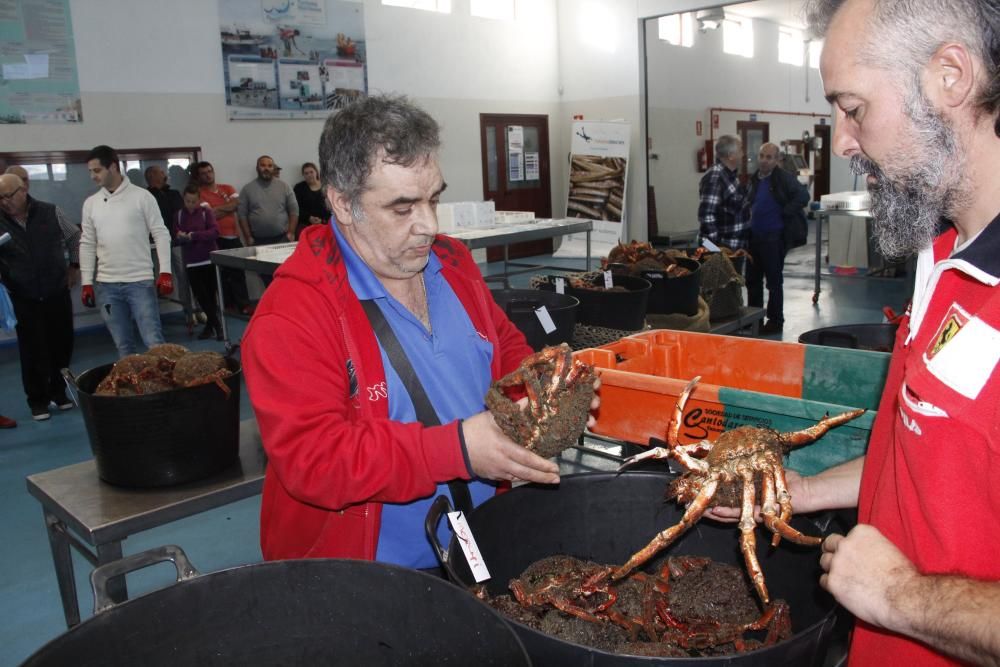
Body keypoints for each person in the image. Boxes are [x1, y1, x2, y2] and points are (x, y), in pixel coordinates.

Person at [708, 1, 1000, 664]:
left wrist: (904, 596)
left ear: (950, 76)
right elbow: (924, 461)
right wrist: (803, 490)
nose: (841, 140)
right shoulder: (939, 259)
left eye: (854, 107)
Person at [241, 94, 598, 566]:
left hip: (477, 537)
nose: (429, 225)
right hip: (370, 575)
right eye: (403, 208)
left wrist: (543, 394)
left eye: (433, 199)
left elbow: (502, 345)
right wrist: (457, 450)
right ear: (343, 204)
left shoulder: (452, 262)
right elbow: (315, 460)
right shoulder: (292, 317)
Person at [80, 145, 173, 357]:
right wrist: (87, 282)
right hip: (107, 286)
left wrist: (165, 271)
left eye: (97, 170)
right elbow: (87, 243)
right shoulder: (91, 204)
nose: (93, 176)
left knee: (154, 343)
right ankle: (132, 388)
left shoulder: (142, 197)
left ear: (112, 167)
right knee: (123, 346)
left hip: (140, 282)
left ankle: (164, 389)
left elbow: (160, 233)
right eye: (90, 172)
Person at [0, 173, 80, 421]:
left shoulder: (51, 212)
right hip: (22, 295)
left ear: (23, 191)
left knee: (61, 343)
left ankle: (59, 393)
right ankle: (38, 400)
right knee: (32, 349)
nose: (4, 202)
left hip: (56, 290)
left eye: (8, 196)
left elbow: (74, 236)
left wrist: (74, 265)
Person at [742, 143, 810, 335]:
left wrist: (784, 212)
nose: (764, 160)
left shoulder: (784, 179)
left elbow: (804, 195)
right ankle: (754, 318)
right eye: (762, 156)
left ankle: (775, 320)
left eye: (769, 157)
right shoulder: (754, 178)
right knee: (752, 281)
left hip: (774, 238)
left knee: (773, 281)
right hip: (754, 237)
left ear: (777, 160)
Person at [145, 165, 199, 331]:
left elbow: (182, 215)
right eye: (162, 172)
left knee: (185, 276)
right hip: (153, 245)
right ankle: (152, 320)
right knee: (152, 281)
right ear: (153, 176)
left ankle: (192, 311)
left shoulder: (174, 194)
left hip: (176, 242)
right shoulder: (146, 197)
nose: (165, 174)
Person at [196, 161, 252, 315]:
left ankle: (244, 304)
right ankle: (229, 305)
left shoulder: (227, 188)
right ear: (199, 176)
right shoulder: (200, 193)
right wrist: (228, 207)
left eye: (209, 171)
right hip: (216, 238)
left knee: (238, 272)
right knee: (222, 274)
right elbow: (209, 215)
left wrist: (219, 209)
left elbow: (238, 204)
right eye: (203, 173)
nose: (207, 175)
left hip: (234, 236)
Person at [175, 184, 223, 340]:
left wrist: (194, 236)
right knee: (201, 296)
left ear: (199, 200)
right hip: (191, 262)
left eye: (193, 201)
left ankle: (212, 326)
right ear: (184, 199)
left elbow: (214, 232)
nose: (190, 204)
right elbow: (175, 233)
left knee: (210, 295)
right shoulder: (179, 215)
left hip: (208, 259)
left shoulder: (205, 213)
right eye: (188, 201)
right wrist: (181, 237)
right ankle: (217, 325)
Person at [698, 134, 748, 250]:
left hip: (736, 247)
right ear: (731, 156)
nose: (743, 154)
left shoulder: (730, 175)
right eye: (740, 150)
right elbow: (706, 216)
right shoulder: (715, 178)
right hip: (724, 249)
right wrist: (716, 251)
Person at [237, 155, 298, 247]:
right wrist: (248, 237)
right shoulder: (247, 189)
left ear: (273, 168)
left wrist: (291, 233)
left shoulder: (284, 186)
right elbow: (242, 215)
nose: (266, 168)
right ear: (257, 168)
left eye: (270, 166)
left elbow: (294, 210)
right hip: (257, 241)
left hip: (282, 239)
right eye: (263, 165)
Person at [292, 162, 327, 239]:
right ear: (303, 175)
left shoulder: (326, 186)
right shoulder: (299, 188)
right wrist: (309, 218)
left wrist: (322, 221)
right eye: (306, 173)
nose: (309, 175)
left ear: (316, 172)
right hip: (305, 223)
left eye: (311, 172)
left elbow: (331, 207)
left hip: (325, 222)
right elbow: (296, 208)